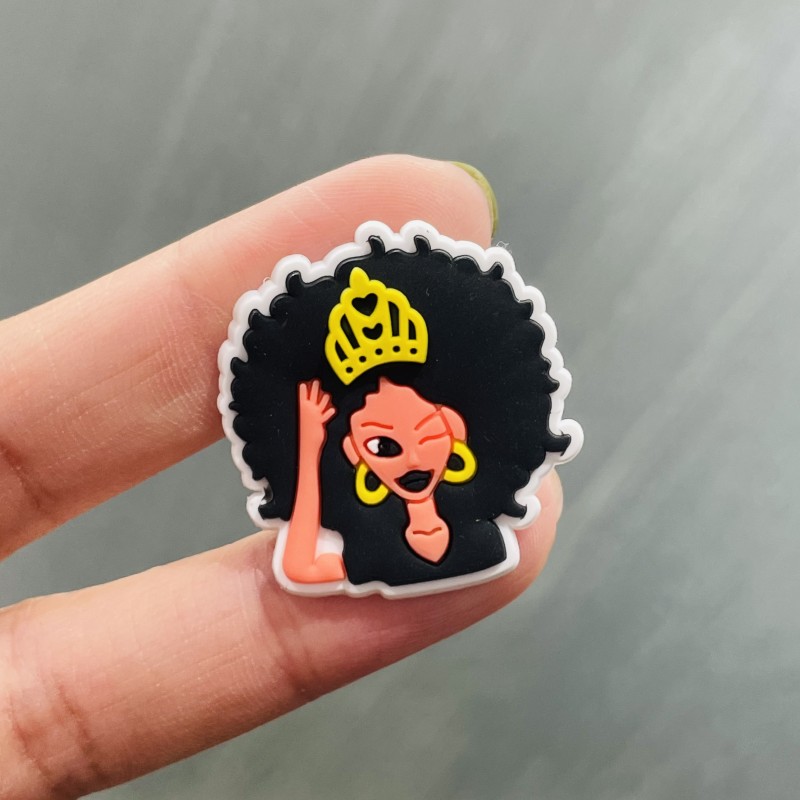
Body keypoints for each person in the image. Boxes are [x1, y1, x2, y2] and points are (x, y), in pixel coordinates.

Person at [0, 156, 565, 796]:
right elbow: (300, 563)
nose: (410, 459)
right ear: (357, 456)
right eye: (383, 445)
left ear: (454, 428)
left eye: (426, 435)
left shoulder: (488, 539)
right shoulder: (374, 549)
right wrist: (310, 447)